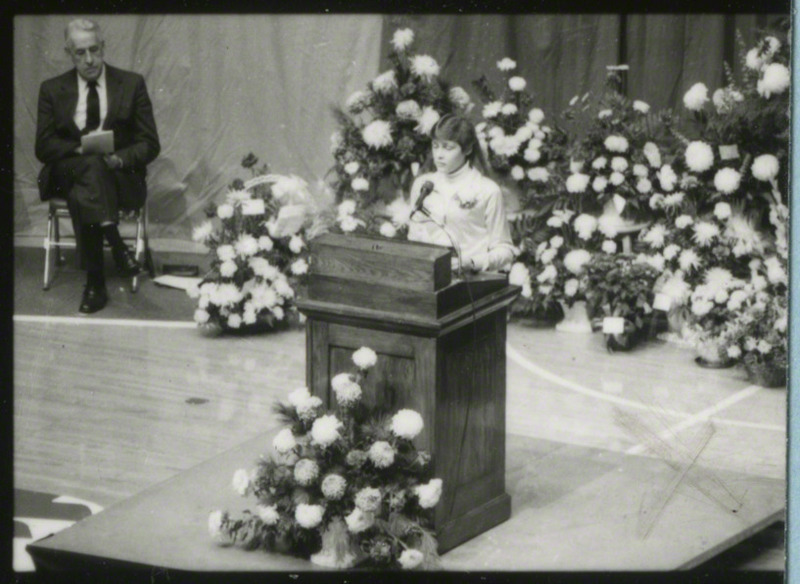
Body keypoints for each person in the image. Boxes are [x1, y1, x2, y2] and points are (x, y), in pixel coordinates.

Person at [35, 18, 160, 313]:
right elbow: (43, 147)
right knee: (90, 166)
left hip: (116, 176)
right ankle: (116, 244)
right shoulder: (52, 89)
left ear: (104, 47)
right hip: (66, 174)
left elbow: (149, 144)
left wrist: (119, 159)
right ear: (69, 53)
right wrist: (78, 148)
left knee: (87, 189)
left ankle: (95, 282)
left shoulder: (131, 84)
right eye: (80, 52)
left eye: (94, 49)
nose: (89, 59)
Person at [407, 113, 516, 274]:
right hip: (424, 276)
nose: (439, 155)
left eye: (448, 147)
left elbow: (505, 250)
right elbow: (414, 236)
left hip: (470, 280)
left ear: (468, 149)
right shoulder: (423, 185)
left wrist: (471, 263)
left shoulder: (487, 190)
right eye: (435, 146)